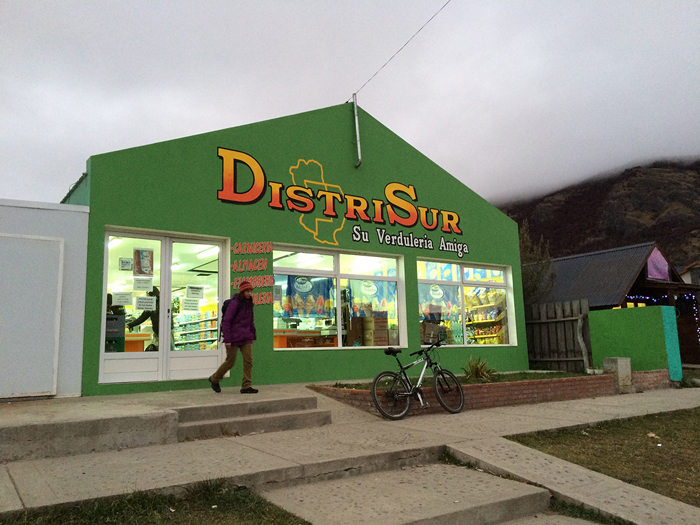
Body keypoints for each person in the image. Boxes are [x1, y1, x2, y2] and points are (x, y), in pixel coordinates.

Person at [209, 280, 258, 394]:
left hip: (246, 337)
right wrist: (227, 340)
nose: (249, 293)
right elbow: (226, 321)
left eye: (250, 291)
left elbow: (250, 321)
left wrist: (252, 336)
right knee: (230, 361)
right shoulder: (234, 304)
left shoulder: (249, 304)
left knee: (248, 361)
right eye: (247, 291)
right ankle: (214, 378)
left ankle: (246, 386)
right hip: (233, 338)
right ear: (242, 291)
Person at [127, 286, 160, 351]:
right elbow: (142, 318)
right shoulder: (150, 305)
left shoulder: (162, 303)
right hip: (157, 333)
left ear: (151, 294)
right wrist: (129, 325)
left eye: (147, 294)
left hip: (166, 333)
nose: (146, 296)